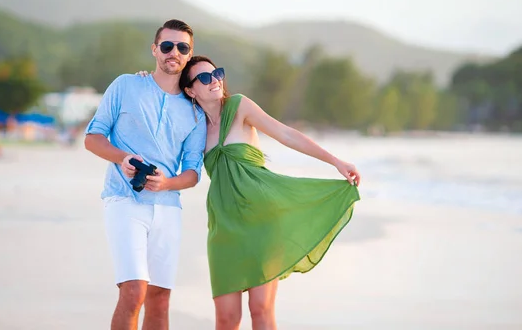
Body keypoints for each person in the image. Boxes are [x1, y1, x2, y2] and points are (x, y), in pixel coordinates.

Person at [163, 55, 361, 330]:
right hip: (225, 226)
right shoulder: (195, 127)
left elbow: (286, 134)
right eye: (205, 78)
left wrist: (335, 162)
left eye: (217, 73)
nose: (215, 81)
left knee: (261, 309)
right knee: (227, 318)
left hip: (264, 219)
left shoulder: (239, 105)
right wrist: (148, 79)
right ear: (190, 90)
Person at [84, 20, 207, 330]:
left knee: (160, 297)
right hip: (124, 200)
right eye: (166, 46)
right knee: (133, 290)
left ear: (189, 54)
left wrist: (167, 183)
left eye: (182, 48)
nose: (173, 52)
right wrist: (122, 157)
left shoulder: (195, 112)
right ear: (155, 49)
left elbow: (192, 173)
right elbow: (92, 137)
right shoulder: (126, 85)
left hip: (168, 208)